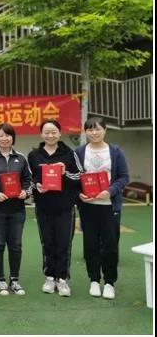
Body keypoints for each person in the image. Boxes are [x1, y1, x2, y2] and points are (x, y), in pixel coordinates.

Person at [75, 117, 129, 300]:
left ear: (105, 130)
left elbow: (123, 177)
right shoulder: (80, 152)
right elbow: (74, 178)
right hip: (88, 207)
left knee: (110, 246)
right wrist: (78, 194)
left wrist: (110, 191)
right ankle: (94, 280)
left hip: (109, 206)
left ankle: (109, 282)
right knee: (90, 245)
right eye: (90, 130)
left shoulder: (115, 152)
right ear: (85, 132)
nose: (94, 133)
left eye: (97, 129)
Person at [27, 120, 82, 297]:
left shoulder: (69, 153)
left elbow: (80, 176)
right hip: (43, 206)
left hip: (65, 206)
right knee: (48, 242)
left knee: (64, 243)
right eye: (47, 132)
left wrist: (64, 172)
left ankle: (63, 279)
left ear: (59, 133)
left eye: (54, 132)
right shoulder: (34, 155)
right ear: (41, 134)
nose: (50, 135)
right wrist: (37, 185)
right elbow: (30, 179)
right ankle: (50, 277)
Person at [0, 123, 33, 296]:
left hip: (17, 209)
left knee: (16, 245)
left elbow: (28, 180)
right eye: (1, 135)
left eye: (7, 135)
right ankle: (0, 279)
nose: (4, 138)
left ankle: (15, 280)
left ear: (13, 138)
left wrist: (26, 192)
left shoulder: (21, 158)